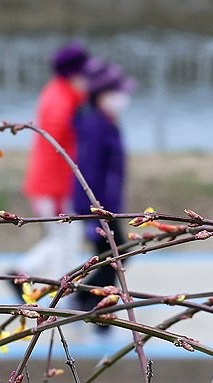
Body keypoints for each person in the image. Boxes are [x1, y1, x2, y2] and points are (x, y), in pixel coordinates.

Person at [9, 42, 90, 299]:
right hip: (54, 188)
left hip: (54, 185)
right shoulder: (62, 101)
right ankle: (51, 287)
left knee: (65, 238)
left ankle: (28, 274)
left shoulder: (60, 94)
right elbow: (58, 150)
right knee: (66, 239)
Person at [72, 59, 135, 327]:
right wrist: (92, 214)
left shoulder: (107, 123)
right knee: (115, 257)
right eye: (117, 93)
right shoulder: (95, 126)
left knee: (114, 257)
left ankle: (93, 305)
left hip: (108, 206)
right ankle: (92, 305)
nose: (123, 99)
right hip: (98, 207)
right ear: (102, 95)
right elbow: (90, 172)